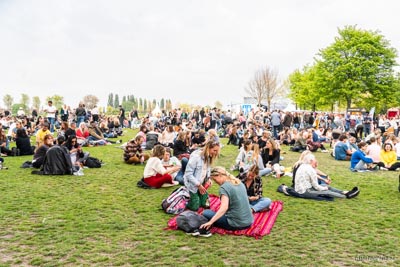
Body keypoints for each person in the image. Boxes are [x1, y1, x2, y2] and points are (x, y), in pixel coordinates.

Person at [199, 166, 253, 233]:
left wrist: (210, 222)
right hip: (249, 221)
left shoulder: (224, 187)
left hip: (236, 224)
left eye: (215, 180)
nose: (216, 182)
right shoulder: (239, 182)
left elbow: (224, 208)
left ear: (220, 175)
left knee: (206, 213)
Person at [295, 153, 359, 199]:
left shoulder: (303, 166)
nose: (316, 160)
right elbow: (316, 186)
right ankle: (346, 196)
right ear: (311, 161)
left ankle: (345, 192)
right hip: (304, 191)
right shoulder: (310, 170)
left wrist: (324, 187)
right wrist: (324, 188)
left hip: (302, 188)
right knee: (326, 192)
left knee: (325, 186)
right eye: (315, 159)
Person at [184, 140, 220, 211]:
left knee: (205, 204)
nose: (216, 153)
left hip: (201, 184)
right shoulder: (196, 157)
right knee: (195, 207)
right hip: (192, 184)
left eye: (217, 151)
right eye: (214, 150)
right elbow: (188, 174)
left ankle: (196, 197)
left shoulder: (209, 157)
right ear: (208, 148)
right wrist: (198, 185)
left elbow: (207, 171)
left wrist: (208, 179)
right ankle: (185, 199)